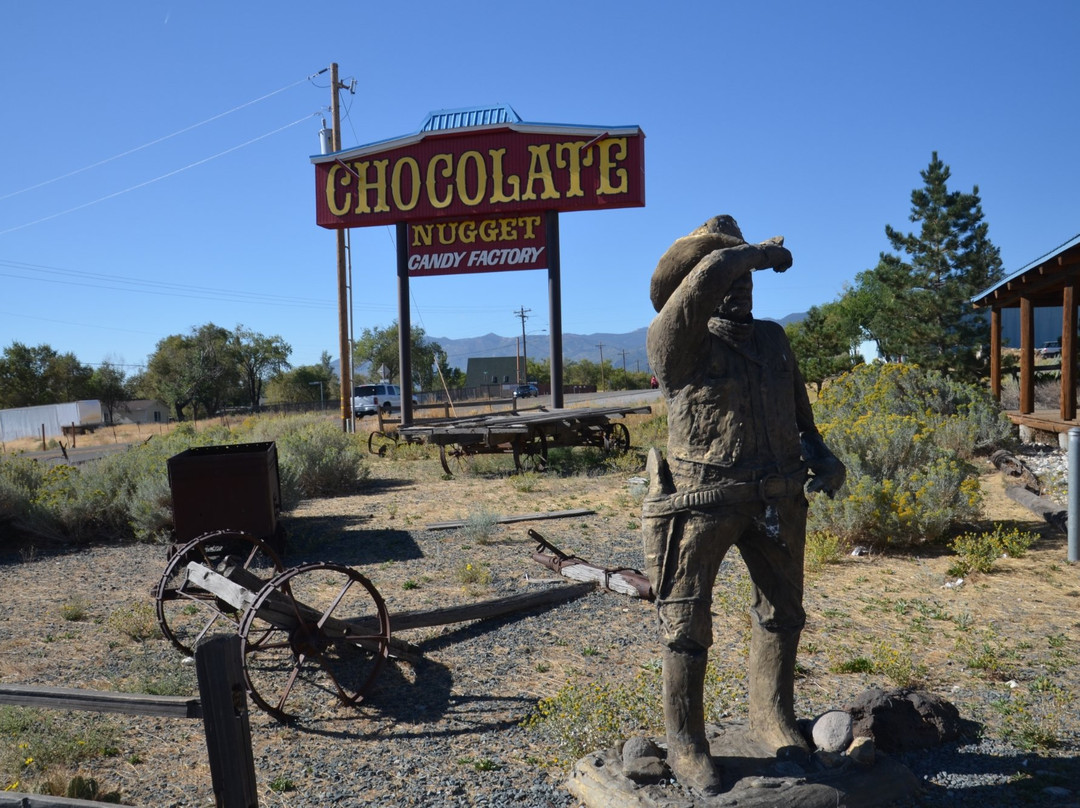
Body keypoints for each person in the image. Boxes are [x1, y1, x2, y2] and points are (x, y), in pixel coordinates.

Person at [642, 215, 845, 794]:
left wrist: (822, 454)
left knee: (783, 611)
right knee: (685, 621)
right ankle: (686, 742)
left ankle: (772, 715)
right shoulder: (675, 341)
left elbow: (799, 415)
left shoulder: (774, 339)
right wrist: (749, 253)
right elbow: (710, 273)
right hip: (701, 502)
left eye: (747, 274)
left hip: (777, 495)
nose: (742, 283)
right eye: (730, 272)